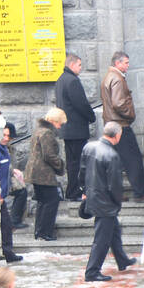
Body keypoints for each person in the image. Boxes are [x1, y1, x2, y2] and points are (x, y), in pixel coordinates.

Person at [80, 123, 137, 282]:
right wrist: (117, 201)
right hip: (105, 202)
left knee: (114, 231)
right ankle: (92, 272)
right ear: (117, 136)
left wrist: (84, 191)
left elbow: (82, 171)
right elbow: (115, 185)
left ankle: (122, 260)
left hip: (93, 196)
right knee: (102, 239)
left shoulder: (89, 147)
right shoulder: (112, 155)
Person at [100, 50, 144, 198]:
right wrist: (130, 114)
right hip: (120, 125)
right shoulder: (117, 78)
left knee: (116, 161)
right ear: (117, 63)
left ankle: (114, 192)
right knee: (133, 159)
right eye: (126, 62)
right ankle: (140, 192)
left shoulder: (109, 77)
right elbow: (119, 103)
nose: (128, 65)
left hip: (111, 124)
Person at [56, 53, 97, 201]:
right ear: (72, 65)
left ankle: (71, 191)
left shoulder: (61, 80)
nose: (81, 68)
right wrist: (91, 116)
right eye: (79, 65)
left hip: (67, 130)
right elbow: (81, 104)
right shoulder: (72, 81)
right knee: (78, 163)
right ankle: (75, 191)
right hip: (76, 129)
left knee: (72, 162)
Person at [25, 107, 67, 241]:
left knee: (43, 202)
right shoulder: (47, 133)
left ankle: (40, 231)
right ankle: (45, 232)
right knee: (51, 200)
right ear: (55, 121)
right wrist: (61, 165)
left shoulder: (39, 130)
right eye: (60, 123)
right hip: (43, 173)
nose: (60, 127)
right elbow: (49, 155)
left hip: (35, 172)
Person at [0, 124, 23, 263]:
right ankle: (7, 253)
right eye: (3, 135)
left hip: (1, 195)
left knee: (6, 225)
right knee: (5, 225)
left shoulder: (4, 150)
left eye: (8, 136)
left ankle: (7, 252)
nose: (6, 138)